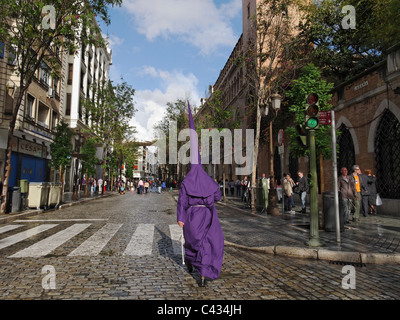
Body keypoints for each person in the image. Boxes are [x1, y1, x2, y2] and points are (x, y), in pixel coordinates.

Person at [177, 102, 224, 287]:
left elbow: (182, 202)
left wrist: (181, 218)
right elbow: (217, 197)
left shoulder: (187, 182)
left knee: (193, 242)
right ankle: (204, 274)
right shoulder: (209, 181)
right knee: (208, 244)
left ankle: (191, 262)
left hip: (191, 216)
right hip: (209, 216)